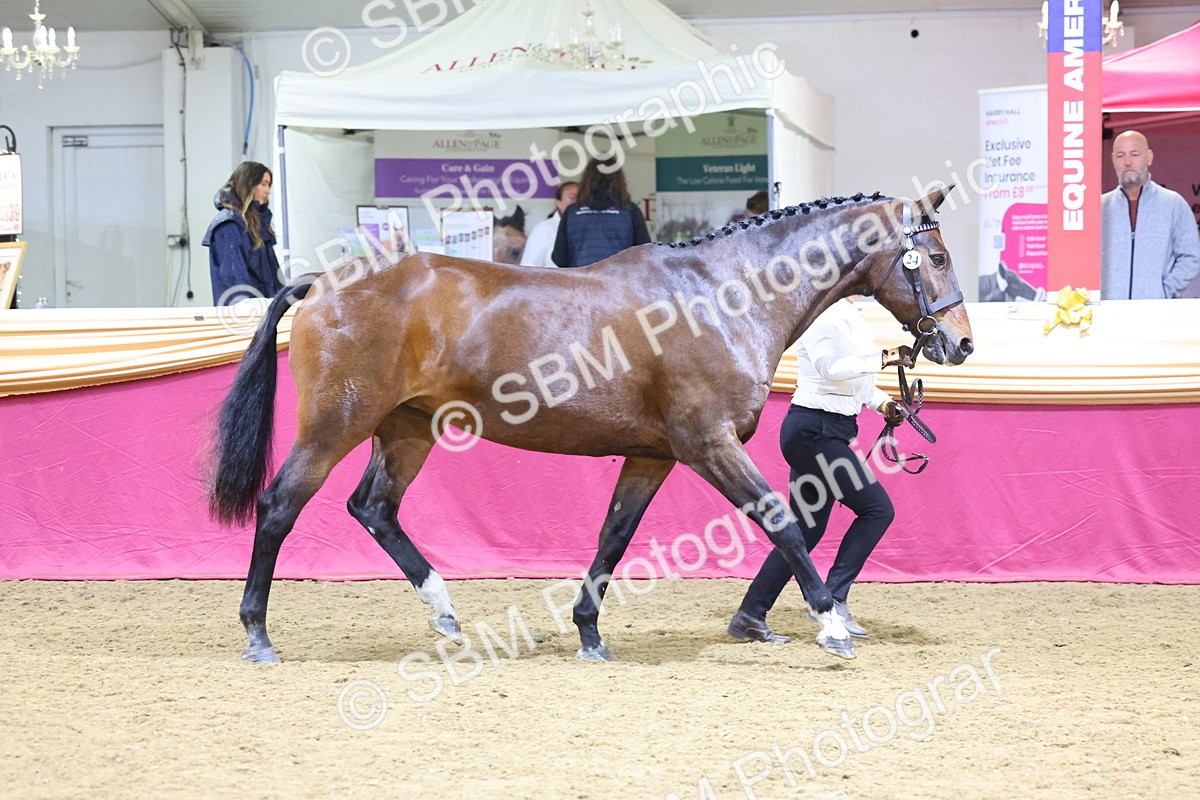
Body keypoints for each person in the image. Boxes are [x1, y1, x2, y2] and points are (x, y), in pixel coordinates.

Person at [727, 297, 911, 646]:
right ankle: (834, 598)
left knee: (804, 533)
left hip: (825, 430)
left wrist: (883, 403)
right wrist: (884, 357)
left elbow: (856, 379)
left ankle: (750, 614)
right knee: (877, 510)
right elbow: (830, 369)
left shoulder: (851, 316)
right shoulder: (822, 314)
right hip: (815, 432)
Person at [1100, 130, 1200, 299]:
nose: (1127, 162)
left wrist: (1164, 292)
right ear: (1113, 160)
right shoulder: (1100, 207)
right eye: (1120, 155)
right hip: (1108, 313)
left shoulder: (1173, 204)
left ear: (1149, 157)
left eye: (1134, 154)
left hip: (1157, 314)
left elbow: (1191, 256)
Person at [202, 162, 285, 305]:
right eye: (263, 184)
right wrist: (251, 312)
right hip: (244, 317)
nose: (268, 191)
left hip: (264, 313)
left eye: (269, 185)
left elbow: (274, 277)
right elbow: (234, 279)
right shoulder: (228, 225)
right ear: (249, 184)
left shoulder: (259, 225)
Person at [551, 157, 650, 268]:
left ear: (586, 179)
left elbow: (559, 259)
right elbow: (645, 255)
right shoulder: (630, 210)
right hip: (618, 282)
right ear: (619, 180)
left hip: (581, 281)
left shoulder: (572, 212)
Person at [520, 182, 578, 268]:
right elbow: (528, 268)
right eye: (572, 197)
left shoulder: (590, 229)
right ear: (558, 202)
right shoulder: (544, 229)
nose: (578, 202)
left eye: (582, 198)